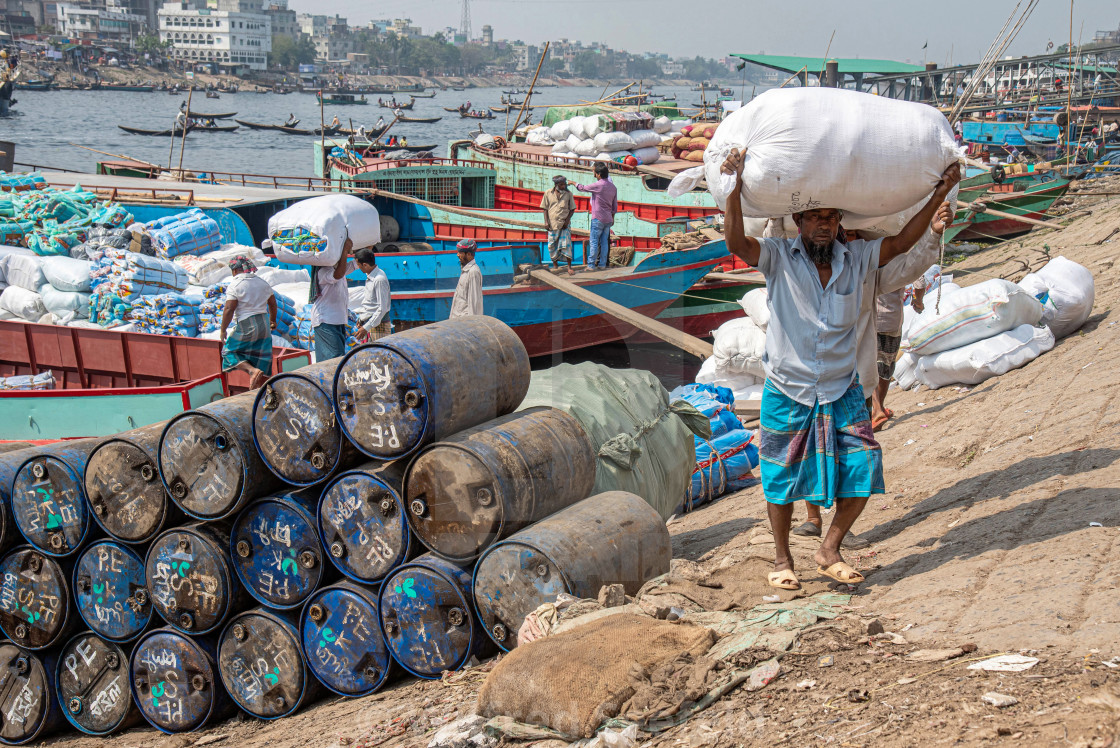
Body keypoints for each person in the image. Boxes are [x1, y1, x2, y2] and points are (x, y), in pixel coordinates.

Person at [720, 146, 960, 590]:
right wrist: (733, 190)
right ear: (799, 223)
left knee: (865, 467)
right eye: (815, 217)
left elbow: (903, 242)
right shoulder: (777, 258)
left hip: (841, 387)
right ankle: (782, 557)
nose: (824, 224)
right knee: (779, 478)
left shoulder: (860, 259)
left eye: (831, 217)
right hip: (787, 389)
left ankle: (829, 548)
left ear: (840, 223)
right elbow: (737, 244)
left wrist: (940, 193)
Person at [219, 255, 277, 389]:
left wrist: (223, 330)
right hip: (264, 323)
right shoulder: (262, 282)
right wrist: (272, 320)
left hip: (247, 324)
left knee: (228, 352)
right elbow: (273, 304)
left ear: (234, 270)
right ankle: (258, 390)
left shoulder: (236, 284)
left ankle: (251, 371)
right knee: (260, 358)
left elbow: (229, 308)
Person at [310, 240, 356, 362]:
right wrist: (345, 250)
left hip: (337, 319)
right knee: (334, 358)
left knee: (337, 356)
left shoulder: (338, 269)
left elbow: (354, 264)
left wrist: (368, 244)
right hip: (326, 320)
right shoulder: (323, 271)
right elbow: (338, 274)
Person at [574, 162, 618, 271]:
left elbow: (582, 188)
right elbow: (614, 206)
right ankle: (602, 265)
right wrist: (613, 218)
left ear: (598, 174)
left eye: (594, 171)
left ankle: (591, 265)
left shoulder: (598, 185)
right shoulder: (613, 187)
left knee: (594, 242)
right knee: (604, 243)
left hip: (598, 218)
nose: (593, 173)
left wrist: (574, 183)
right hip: (608, 218)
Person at [352, 247, 391, 342]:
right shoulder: (371, 276)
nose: (358, 267)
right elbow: (370, 304)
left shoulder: (379, 279)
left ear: (365, 265)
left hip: (378, 326)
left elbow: (382, 308)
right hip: (370, 324)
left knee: (379, 355)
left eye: (358, 265)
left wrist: (366, 327)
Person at [540, 175, 576, 275]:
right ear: (556, 185)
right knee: (551, 245)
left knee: (566, 245)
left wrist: (567, 221)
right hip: (552, 224)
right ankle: (556, 266)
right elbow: (545, 209)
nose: (563, 186)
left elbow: (572, 209)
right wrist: (546, 222)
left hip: (564, 224)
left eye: (564, 184)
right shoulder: (548, 193)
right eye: (561, 185)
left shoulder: (569, 194)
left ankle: (569, 267)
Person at [450, 238, 483, 318]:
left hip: (464, 322)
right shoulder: (465, 270)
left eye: (460, 252)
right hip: (457, 320)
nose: (457, 255)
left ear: (468, 254)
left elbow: (474, 302)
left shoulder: (473, 272)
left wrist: (472, 325)